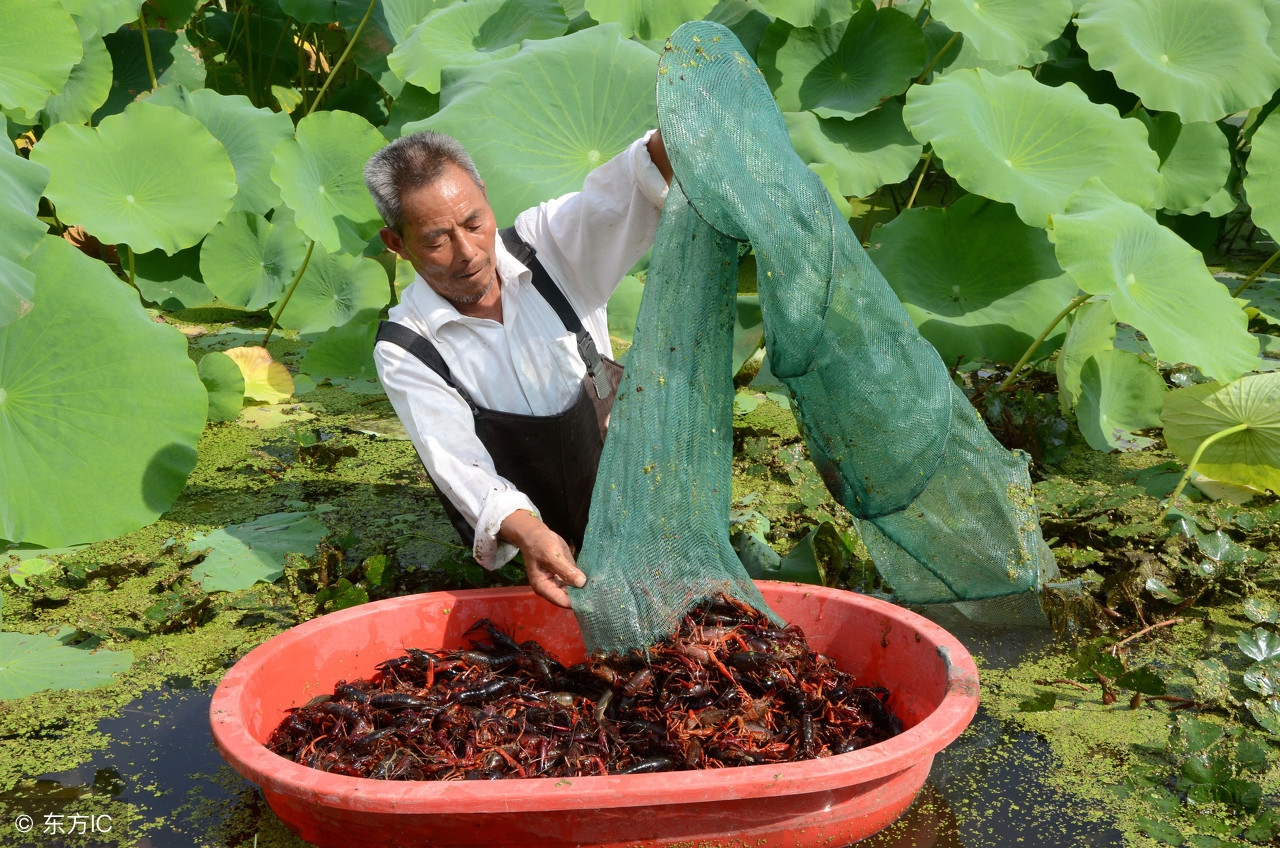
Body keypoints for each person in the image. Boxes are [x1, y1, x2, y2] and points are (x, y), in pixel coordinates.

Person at [366, 129, 673, 609]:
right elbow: (460, 465)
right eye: (436, 241)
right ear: (396, 244)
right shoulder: (407, 346)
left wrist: (688, 113)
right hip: (529, 558)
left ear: (487, 198)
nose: (467, 252)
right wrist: (530, 533)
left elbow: (635, 181)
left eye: (473, 222)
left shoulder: (550, 247)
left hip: (637, 508)